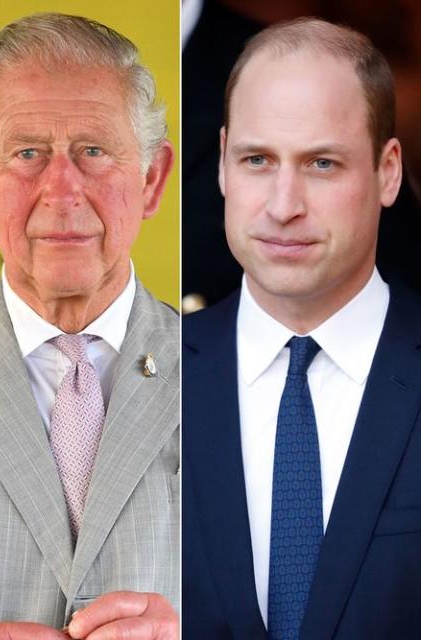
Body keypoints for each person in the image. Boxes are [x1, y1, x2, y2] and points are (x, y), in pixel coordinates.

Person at [0, 13, 179, 640]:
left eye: (93, 151)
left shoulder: (227, 374)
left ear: (152, 179)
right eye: (28, 154)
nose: (62, 188)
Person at [183, 18, 421, 638]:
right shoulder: (130, 380)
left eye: (321, 163)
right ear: (223, 165)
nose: (283, 204)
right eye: (257, 160)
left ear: (387, 171)